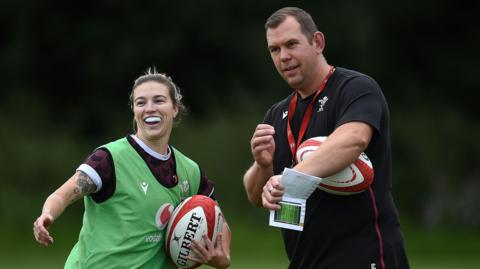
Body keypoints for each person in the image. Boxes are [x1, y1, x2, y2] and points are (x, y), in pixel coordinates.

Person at [243, 7, 409, 269]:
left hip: (365, 257)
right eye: (275, 50)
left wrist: (290, 178)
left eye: (291, 44)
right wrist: (262, 166)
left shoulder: (355, 88)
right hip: (305, 262)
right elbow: (254, 196)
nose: (284, 56)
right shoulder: (276, 115)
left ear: (317, 42)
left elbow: (353, 140)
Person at [33, 68, 231, 269]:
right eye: (141, 102)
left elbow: (218, 221)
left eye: (159, 100)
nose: (150, 108)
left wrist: (222, 258)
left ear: (175, 108)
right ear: (134, 110)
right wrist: (47, 214)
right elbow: (62, 195)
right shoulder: (108, 159)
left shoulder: (190, 170)